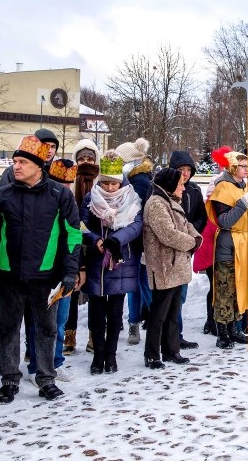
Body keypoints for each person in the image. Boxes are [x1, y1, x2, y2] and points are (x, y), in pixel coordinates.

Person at [0, 135, 81, 404]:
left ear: (39, 166)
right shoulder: (2, 196)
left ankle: (46, 378)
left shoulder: (60, 195)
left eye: (23, 162)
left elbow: (73, 236)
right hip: (9, 276)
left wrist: (70, 272)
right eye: (15, 161)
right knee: (9, 328)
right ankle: (9, 379)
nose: (16, 166)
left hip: (46, 277)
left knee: (46, 329)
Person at [81, 152, 143, 374]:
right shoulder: (91, 198)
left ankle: (111, 354)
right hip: (98, 261)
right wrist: (95, 239)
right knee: (97, 311)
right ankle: (98, 355)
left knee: (116, 311)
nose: (109, 188)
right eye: (105, 183)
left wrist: (116, 240)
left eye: (113, 183)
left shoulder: (132, 199)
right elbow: (82, 224)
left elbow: (137, 226)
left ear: (120, 181)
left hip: (120, 260)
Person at [142, 168, 201, 368]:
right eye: (180, 184)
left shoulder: (170, 200)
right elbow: (168, 234)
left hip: (176, 265)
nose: (184, 188)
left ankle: (171, 349)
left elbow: (185, 224)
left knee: (173, 311)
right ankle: (152, 354)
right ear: (170, 185)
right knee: (159, 313)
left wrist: (196, 237)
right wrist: (192, 243)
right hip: (164, 265)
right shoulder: (157, 204)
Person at [206, 148, 248, 350]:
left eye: (247, 166)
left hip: (244, 246)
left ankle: (234, 328)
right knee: (225, 290)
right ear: (232, 166)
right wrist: (241, 206)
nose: (247, 169)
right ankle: (222, 332)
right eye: (242, 166)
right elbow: (224, 221)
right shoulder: (223, 188)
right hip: (228, 248)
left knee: (240, 287)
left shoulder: (244, 187)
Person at [114, 138, 153, 346]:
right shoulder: (137, 179)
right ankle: (135, 323)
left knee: (140, 284)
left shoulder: (138, 182)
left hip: (138, 241)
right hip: (135, 241)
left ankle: (142, 323)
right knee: (136, 284)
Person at [168, 150, 209, 348]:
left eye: (187, 170)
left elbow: (202, 215)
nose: (184, 174)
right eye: (180, 170)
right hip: (168, 249)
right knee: (168, 295)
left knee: (181, 295)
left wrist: (193, 236)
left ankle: (177, 334)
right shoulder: (163, 190)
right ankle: (167, 337)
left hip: (187, 249)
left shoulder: (193, 190)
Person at [66, 139, 101, 355]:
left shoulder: (100, 181)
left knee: (95, 289)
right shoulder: (69, 180)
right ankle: (69, 334)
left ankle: (94, 334)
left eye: (89, 158)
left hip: (95, 240)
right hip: (73, 240)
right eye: (81, 158)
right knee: (71, 288)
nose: (85, 162)